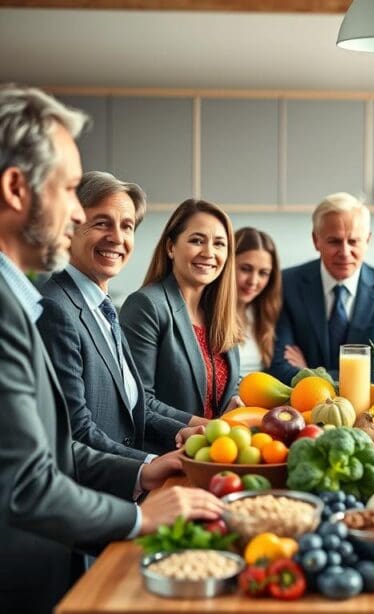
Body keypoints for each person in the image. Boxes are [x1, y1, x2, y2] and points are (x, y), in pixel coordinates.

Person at [0, 84, 224, 613]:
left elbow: (55, 447)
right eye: (69, 192)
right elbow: (30, 482)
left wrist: (147, 469)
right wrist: (143, 515)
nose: (77, 216)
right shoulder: (27, 309)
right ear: (15, 188)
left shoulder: (33, 301)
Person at [37, 171, 196, 461]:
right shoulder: (55, 309)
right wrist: (150, 465)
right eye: (102, 223)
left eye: (127, 226)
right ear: (70, 225)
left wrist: (184, 430)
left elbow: (130, 406)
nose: (117, 238)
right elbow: (77, 431)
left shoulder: (103, 307)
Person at [120, 199, 241, 420]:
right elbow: (138, 400)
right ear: (170, 247)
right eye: (197, 240)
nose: (208, 252)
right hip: (167, 451)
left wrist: (237, 400)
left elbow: (225, 385)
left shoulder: (220, 312)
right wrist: (205, 427)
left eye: (219, 244)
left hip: (219, 450)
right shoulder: (146, 306)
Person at [268, 192, 374, 384]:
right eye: (334, 241)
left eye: (353, 241)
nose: (344, 252)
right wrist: (350, 379)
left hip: (368, 410)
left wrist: (310, 373)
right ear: (316, 241)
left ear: (367, 240)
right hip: (301, 407)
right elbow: (279, 367)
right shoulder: (286, 284)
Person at [234, 226, 281, 377]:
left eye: (263, 273)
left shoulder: (262, 313)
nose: (253, 281)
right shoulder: (204, 313)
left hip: (257, 399)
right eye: (246, 269)